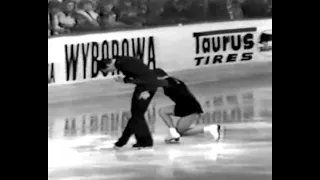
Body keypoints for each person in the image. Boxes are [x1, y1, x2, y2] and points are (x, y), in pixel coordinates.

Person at [98, 56, 167, 149]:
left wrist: (126, 81)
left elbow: (145, 77)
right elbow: (139, 74)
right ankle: (137, 141)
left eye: (107, 69)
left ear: (109, 64)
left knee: (137, 116)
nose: (110, 72)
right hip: (145, 86)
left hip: (146, 87)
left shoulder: (123, 64)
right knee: (137, 116)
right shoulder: (121, 61)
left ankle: (141, 142)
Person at [153, 68, 222, 143]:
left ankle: (210, 128)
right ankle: (173, 132)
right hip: (184, 105)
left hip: (190, 109)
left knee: (180, 132)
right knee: (162, 111)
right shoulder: (172, 80)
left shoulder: (168, 82)